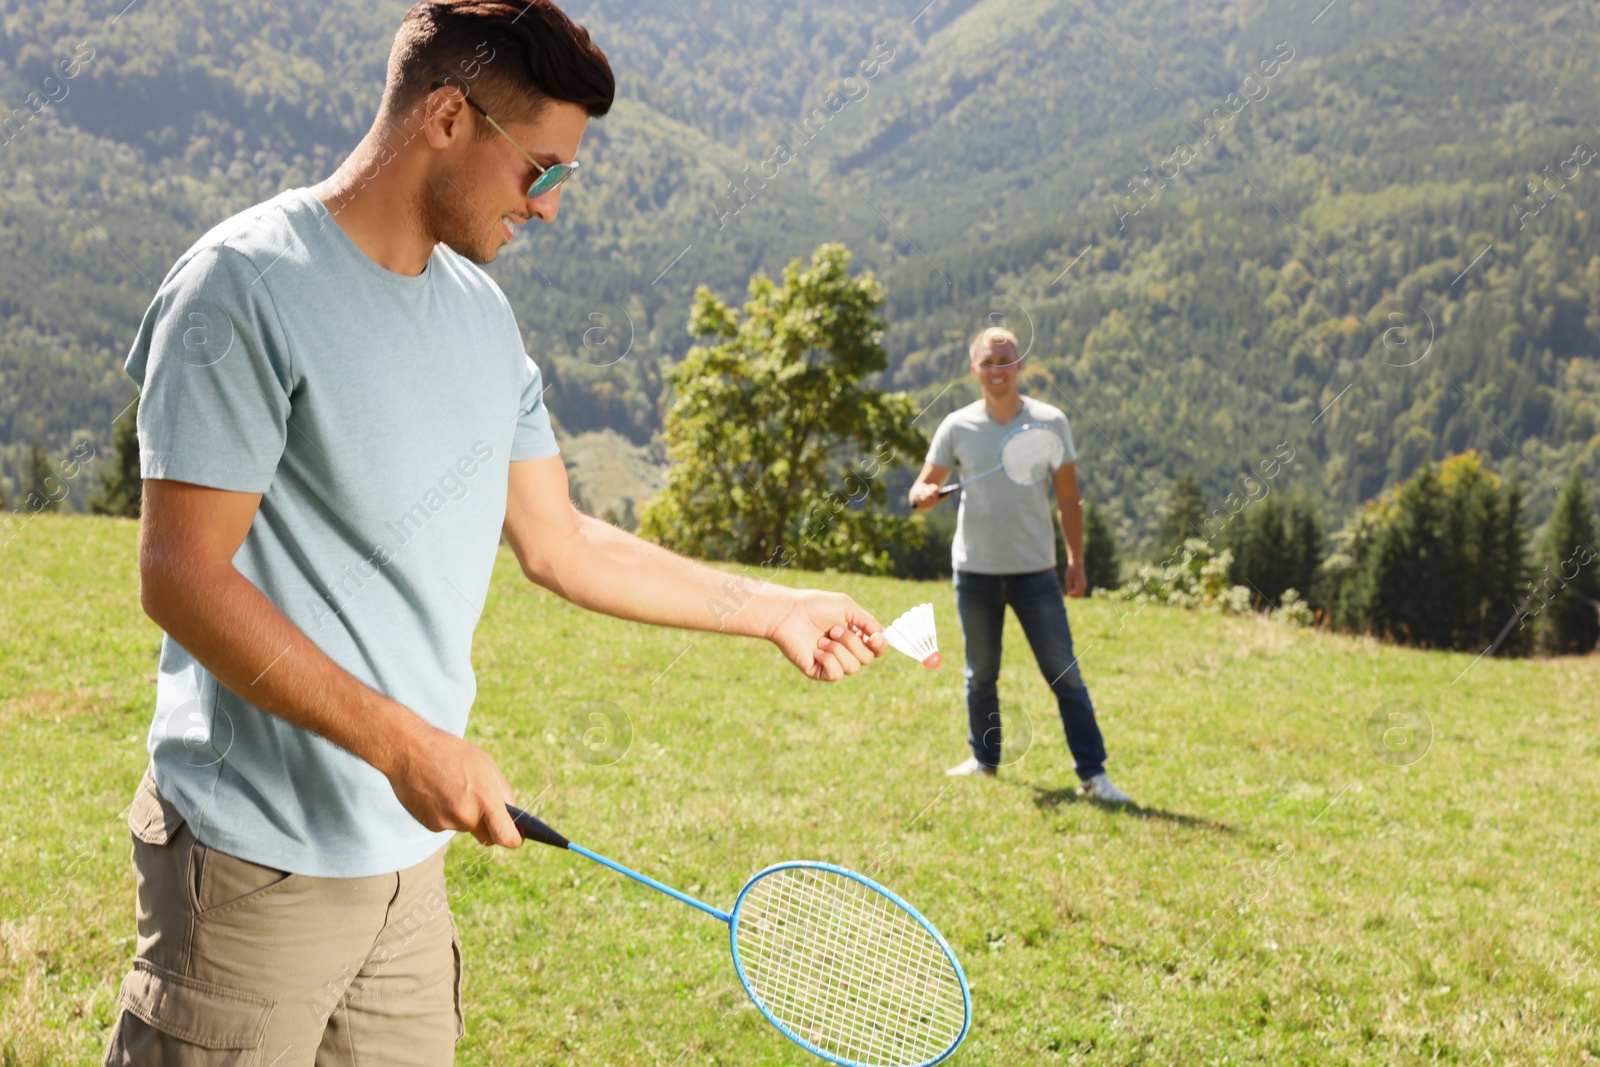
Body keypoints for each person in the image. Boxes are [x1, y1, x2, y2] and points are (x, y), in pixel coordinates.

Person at [104, 3, 886, 1063]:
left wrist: (773, 607)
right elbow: (182, 578)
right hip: (252, 870)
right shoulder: (241, 286)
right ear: (445, 117)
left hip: (405, 876)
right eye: (542, 172)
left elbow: (562, 541)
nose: (551, 207)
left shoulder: (480, 315)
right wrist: (405, 742)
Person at [909, 326, 1130, 803]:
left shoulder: (1052, 423)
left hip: (1035, 573)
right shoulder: (956, 427)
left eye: (1005, 360)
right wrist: (924, 496)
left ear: (1020, 366)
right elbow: (921, 490)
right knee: (980, 675)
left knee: (1065, 674)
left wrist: (1076, 561)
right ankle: (984, 762)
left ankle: (1094, 775)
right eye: (989, 362)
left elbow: (1070, 501)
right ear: (975, 369)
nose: (997, 370)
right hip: (975, 573)